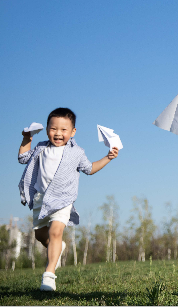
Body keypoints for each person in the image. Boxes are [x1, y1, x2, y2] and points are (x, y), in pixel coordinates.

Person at [18, 108, 118, 291]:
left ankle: (49, 276)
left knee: (55, 232)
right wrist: (27, 140)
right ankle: (57, 248)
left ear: (73, 132)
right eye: (53, 128)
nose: (58, 133)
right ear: (47, 128)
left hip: (63, 200)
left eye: (64, 130)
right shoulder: (41, 148)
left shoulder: (77, 152)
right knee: (40, 235)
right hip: (41, 199)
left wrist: (108, 158)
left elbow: (90, 169)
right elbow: (23, 157)